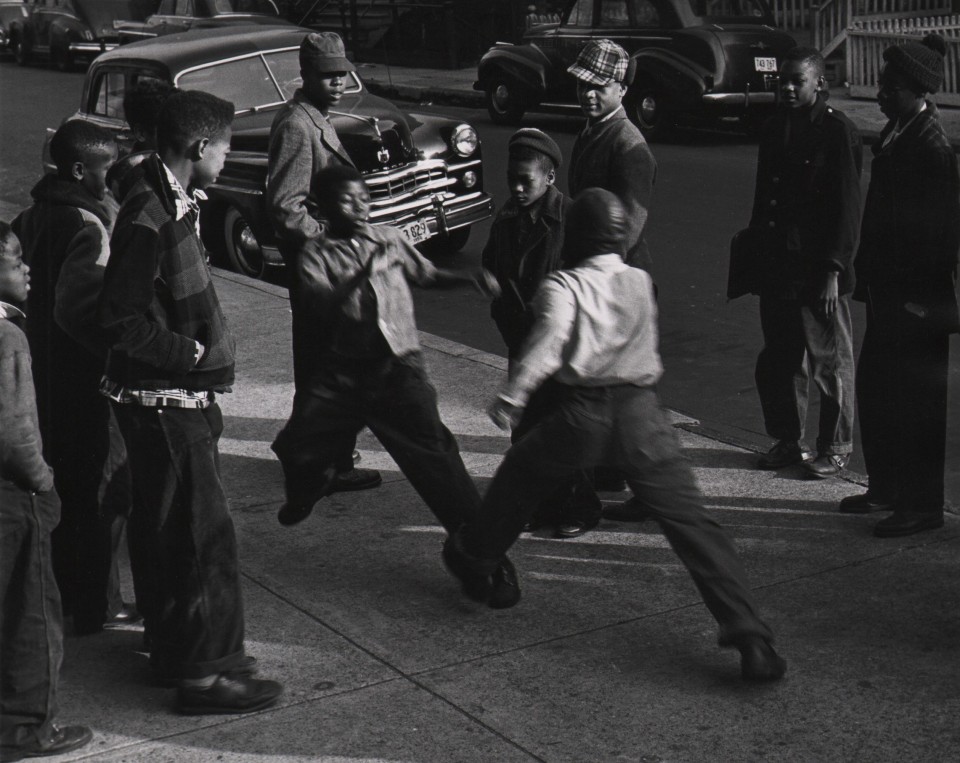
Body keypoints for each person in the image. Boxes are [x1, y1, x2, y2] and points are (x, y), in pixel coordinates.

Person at [445, 189, 786, 682]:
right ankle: (750, 636)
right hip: (642, 415)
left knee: (519, 479)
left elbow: (548, 341)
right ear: (620, 237)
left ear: (574, 236)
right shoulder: (639, 280)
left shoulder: (561, 285)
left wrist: (513, 394)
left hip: (580, 415)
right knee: (692, 524)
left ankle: (477, 563)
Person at [98, 90, 283, 713]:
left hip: (164, 401)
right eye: (226, 147)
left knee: (166, 532)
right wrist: (193, 357)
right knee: (205, 539)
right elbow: (120, 319)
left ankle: (177, 651)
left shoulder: (164, 196)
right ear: (200, 147)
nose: (228, 157)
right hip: (163, 400)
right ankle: (209, 677)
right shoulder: (149, 214)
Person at [270, 165, 517, 598]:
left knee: (439, 463)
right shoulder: (316, 254)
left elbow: (426, 274)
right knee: (299, 444)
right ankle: (309, 485)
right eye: (347, 200)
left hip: (398, 369)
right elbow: (320, 306)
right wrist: (362, 274)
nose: (360, 207)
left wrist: (467, 278)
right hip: (342, 373)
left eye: (364, 198)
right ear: (323, 209)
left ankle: (483, 562)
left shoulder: (390, 236)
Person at [12, 120, 141, 636]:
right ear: (80, 170)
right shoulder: (90, 224)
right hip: (86, 384)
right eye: (106, 169)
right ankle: (100, 605)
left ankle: (67, 594)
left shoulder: (28, 218)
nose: (110, 180)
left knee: (65, 487)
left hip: (43, 379)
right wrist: (114, 357)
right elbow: (78, 307)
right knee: (100, 492)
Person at [843, 33, 960, 537]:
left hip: (917, 302)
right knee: (880, 391)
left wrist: (917, 300)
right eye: (883, 85)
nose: (882, 94)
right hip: (889, 295)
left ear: (919, 91)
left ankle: (922, 505)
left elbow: (941, 234)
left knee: (917, 406)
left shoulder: (930, 147)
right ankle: (886, 487)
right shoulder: (898, 131)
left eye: (892, 87)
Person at [266, 31, 380, 494]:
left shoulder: (316, 118)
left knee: (327, 364)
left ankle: (322, 455)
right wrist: (331, 243)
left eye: (342, 75)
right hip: (318, 273)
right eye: (327, 76)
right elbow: (285, 206)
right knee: (326, 365)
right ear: (306, 75)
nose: (337, 83)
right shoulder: (298, 124)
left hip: (324, 271)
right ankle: (319, 462)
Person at [0, 223, 93, 761]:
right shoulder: (9, 337)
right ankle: (28, 726)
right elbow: (15, 433)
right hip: (14, 496)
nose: (27, 269)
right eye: (15, 261)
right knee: (31, 611)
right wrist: (43, 481)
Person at [481, 127, 601, 538]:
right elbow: (491, 262)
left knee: (558, 430)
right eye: (511, 178)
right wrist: (492, 287)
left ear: (549, 178)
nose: (516, 188)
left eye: (525, 180)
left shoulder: (569, 218)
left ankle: (578, 507)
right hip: (520, 337)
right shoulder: (507, 218)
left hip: (560, 343)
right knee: (526, 431)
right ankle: (536, 504)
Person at [749, 48, 862, 478]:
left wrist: (834, 268)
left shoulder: (837, 132)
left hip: (818, 270)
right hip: (778, 266)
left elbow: (847, 208)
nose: (789, 87)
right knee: (780, 360)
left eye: (798, 80)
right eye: (784, 80)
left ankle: (835, 446)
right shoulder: (775, 127)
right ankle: (786, 440)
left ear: (820, 84)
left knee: (829, 361)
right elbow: (765, 199)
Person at [567, 38, 657, 498]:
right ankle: (610, 466)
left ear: (622, 88)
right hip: (594, 276)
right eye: (583, 84)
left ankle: (642, 481)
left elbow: (630, 226)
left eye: (599, 86)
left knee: (622, 389)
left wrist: (595, 284)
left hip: (617, 280)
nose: (588, 93)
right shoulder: (591, 130)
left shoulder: (628, 144)